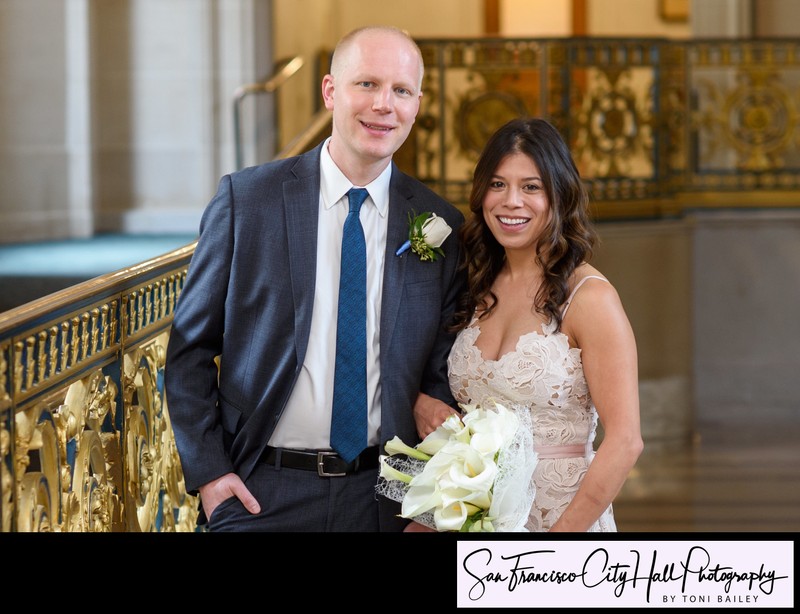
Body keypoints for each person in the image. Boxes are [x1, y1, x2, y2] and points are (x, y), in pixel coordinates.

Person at [165, 25, 464, 532]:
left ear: (417, 104)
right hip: (262, 490)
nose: (384, 105)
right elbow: (189, 350)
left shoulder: (438, 225)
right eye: (366, 84)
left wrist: (426, 504)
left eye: (401, 90)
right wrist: (213, 476)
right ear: (330, 91)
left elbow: (436, 377)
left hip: (387, 495)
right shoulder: (248, 202)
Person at [412, 117, 643, 532]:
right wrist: (422, 401)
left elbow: (625, 442)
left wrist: (553, 550)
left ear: (559, 195)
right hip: (477, 518)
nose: (510, 201)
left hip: (561, 523)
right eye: (497, 184)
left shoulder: (590, 299)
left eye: (531, 187)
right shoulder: (475, 284)